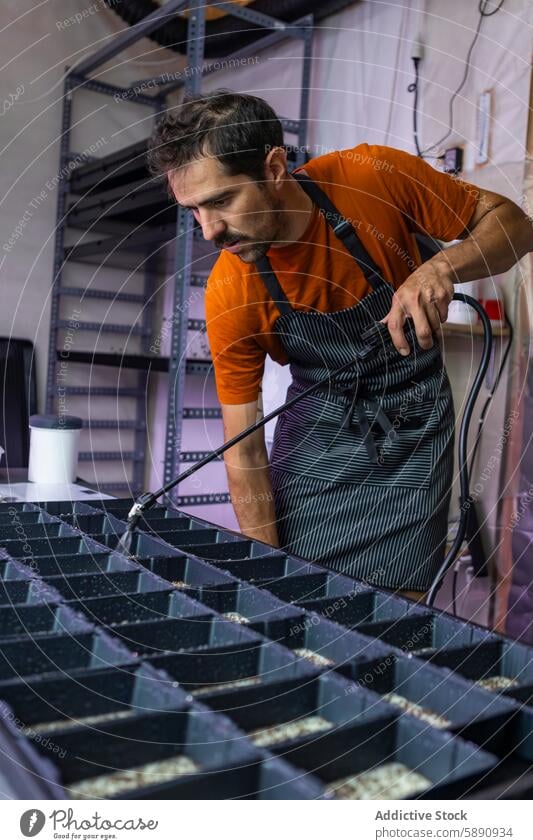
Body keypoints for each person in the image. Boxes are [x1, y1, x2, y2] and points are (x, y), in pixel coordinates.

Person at [148, 90, 533, 601]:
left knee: (398, 617)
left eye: (221, 201)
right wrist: (264, 581)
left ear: (275, 166)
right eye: (193, 210)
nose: (209, 230)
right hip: (318, 434)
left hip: (414, 426)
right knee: (297, 597)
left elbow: (517, 228)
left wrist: (440, 267)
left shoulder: (371, 178)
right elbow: (243, 447)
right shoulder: (231, 290)